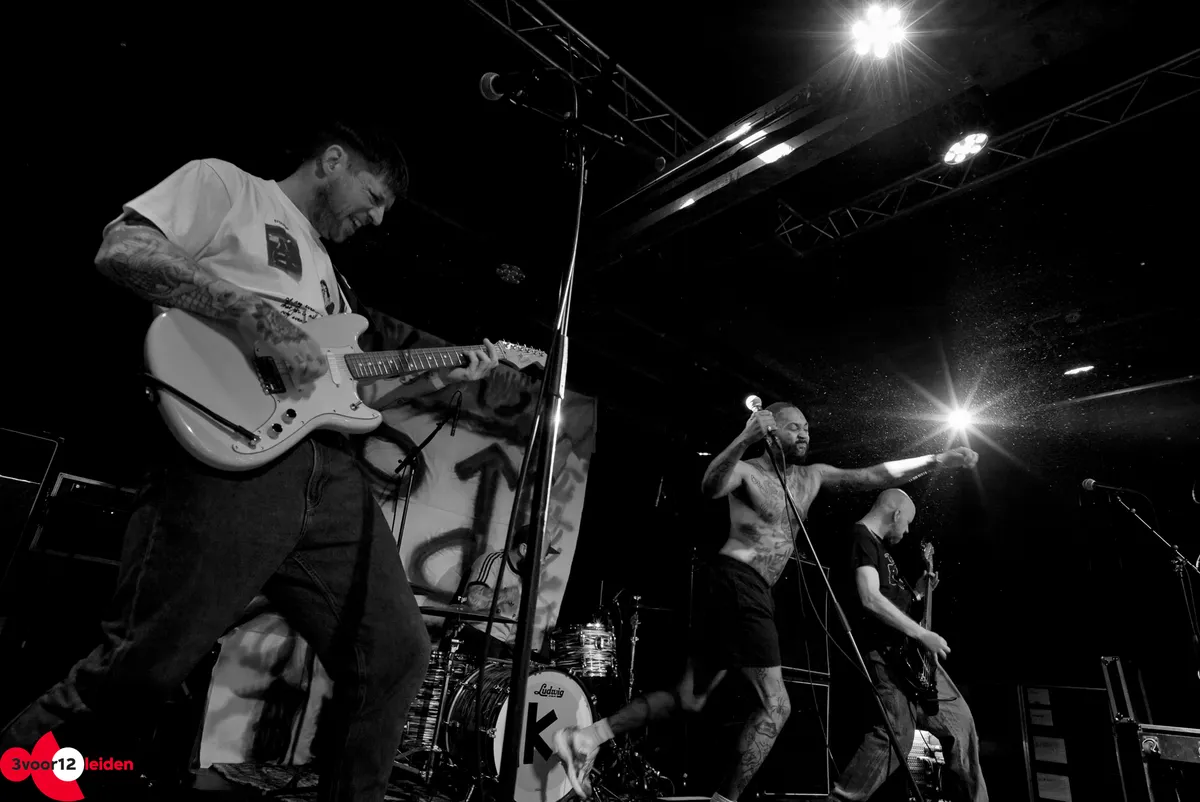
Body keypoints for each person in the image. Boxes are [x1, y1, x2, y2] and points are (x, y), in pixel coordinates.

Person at [0, 121, 501, 802]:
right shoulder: (229, 186)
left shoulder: (334, 282)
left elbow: (351, 392)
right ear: (334, 160)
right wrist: (258, 317)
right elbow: (124, 248)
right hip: (230, 456)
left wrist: (438, 375)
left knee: (396, 655)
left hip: (330, 475)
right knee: (144, 666)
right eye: (375, 196)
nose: (379, 218)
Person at [554, 402, 979, 801]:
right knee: (776, 706)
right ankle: (723, 800)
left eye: (806, 428)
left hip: (747, 593)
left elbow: (873, 475)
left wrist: (936, 460)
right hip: (736, 582)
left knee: (689, 699)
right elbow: (710, 485)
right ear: (770, 431)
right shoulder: (747, 471)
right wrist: (744, 437)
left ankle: (587, 737)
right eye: (794, 427)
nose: (804, 434)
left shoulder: (812, 477)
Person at [827, 489, 988, 801]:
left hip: (915, 661)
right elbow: (870, 598)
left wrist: (918, 592)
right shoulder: (861, 537)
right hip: (889, 657)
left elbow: (893, 601)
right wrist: (922, 635)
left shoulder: (879, 549)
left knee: (962, 724)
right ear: (896, 514)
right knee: (898, 733)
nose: (908, 530)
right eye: (908, 522)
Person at [458, 524, 561, 659]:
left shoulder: (526, 576)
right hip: (476, 635)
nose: (542, 562)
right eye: (543, 556)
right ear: (524, 549)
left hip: (500, 644)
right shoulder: (494, 561)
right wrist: (507, 594)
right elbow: (474, 600)